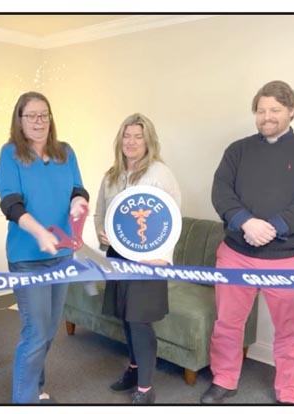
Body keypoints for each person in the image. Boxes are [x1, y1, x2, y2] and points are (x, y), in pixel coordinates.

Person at [202, 80, 294, 404]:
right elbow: (221, 192)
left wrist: (273, 227)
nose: (267, 116)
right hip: (236, 254)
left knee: (290, 330)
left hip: (288, 259)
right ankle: (224, 379)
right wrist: (245, 221)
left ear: (291, 111)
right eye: (261, 110)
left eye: (275, 109)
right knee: (227, 324)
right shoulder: (237, 150)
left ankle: (288, 392)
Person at [0, 91, 89, 404]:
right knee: (35, 332)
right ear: (19, 121)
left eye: (44, 115)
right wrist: (39, 233)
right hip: (27, 258)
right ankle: (24, 400)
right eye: (31, 116)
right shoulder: (10, 154)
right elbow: (10, 203)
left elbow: (77, 189)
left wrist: (78, 203)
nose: (39, 121)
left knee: (48, 331)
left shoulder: (65, 152)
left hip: (62, 256)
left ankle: (35, 385)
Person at [94, 113, 182, 404]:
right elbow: (101, 212)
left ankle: (145, 388)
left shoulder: (160, 173)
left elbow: (172, 218)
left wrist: (164, 258)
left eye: (138, 136)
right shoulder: (112, 175)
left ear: (148, 141)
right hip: (118, 257)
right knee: (125, 316)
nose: (131, 142)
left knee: (140, 321)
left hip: (149, 260)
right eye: (126, 136)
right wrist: (102, 233)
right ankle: (133, 371)